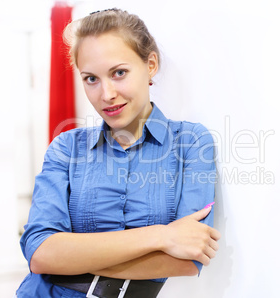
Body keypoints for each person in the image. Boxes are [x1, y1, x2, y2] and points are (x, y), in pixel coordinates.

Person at [15, 8, 220, 298]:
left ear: (150, 65)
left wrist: (70, 257)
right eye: (91, 79)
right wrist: (162, 235)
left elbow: (188, 258)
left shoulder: (190, 142)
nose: (106, 94)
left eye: (119, 73)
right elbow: (40, 254)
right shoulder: (66, 148)